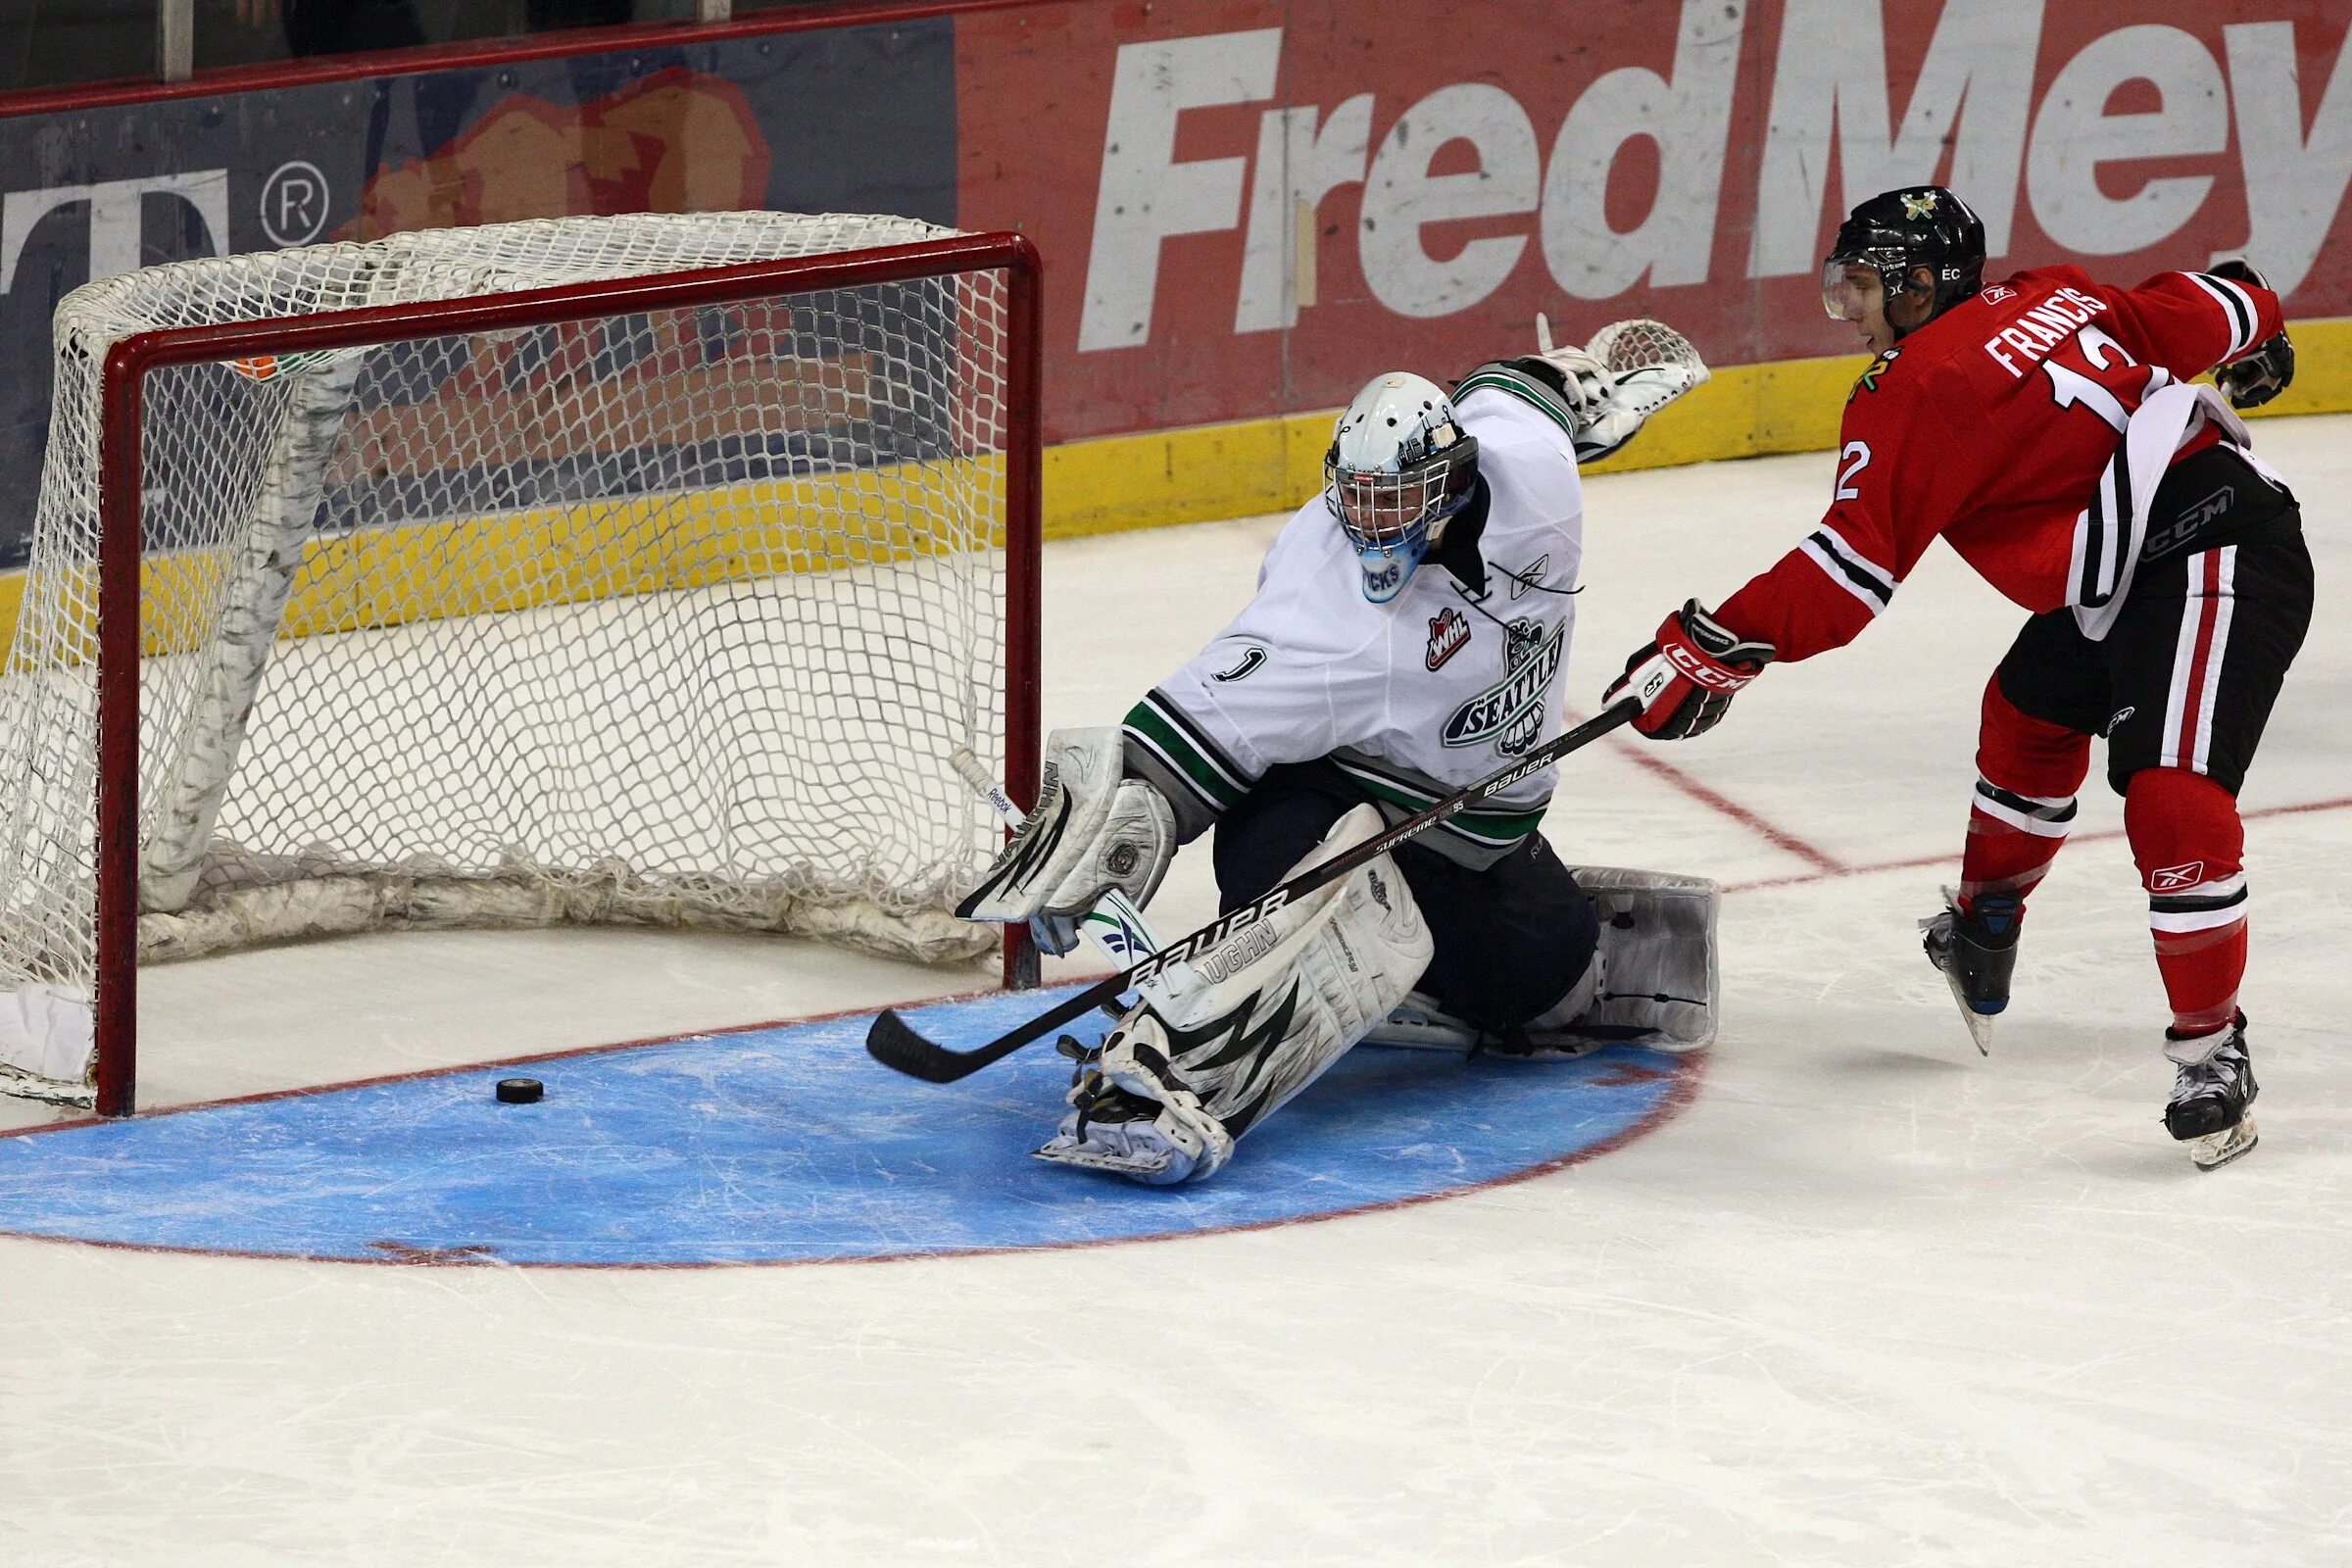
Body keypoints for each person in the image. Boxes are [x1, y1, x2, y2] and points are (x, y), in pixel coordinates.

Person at [1607, 185, 2308, 1171]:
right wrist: (2258, 332)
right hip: (2128, 575)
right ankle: (1985, 921)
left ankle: (2210, 1054)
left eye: (1862, 283)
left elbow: (1845, 576)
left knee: (2171, 792)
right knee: (2027, 710)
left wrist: (1716, 640)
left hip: (2216, 553)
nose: (1847, 306)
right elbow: (2223, 296)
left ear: (1923, 283)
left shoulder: (1918, 389)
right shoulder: (2053, 293)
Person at [958, 326, 1715, 1184]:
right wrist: (1115, 832)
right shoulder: (1324, 618)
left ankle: (1419, 977)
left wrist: (1584, 391)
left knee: (1541, 985)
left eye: (1397, 501)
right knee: (1320, 873)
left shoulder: (1535, 475)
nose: (1371, 526)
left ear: (1457, 478)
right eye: (1357, 499)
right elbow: (1181, 742)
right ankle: (1172, 1072)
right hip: (1323, 805)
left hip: (1471, 827)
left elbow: (1519, 385)